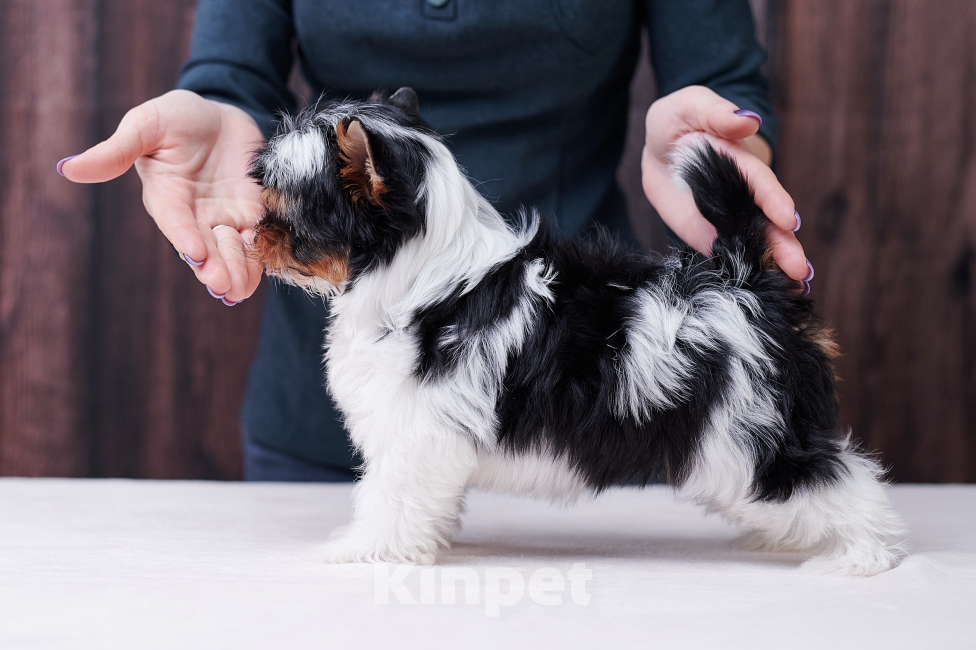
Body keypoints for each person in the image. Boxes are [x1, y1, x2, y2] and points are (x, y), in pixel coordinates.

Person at [58, 0, 810, 481]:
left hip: (577, 395)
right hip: (327, 413)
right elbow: (232, 66)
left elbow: (723, 77)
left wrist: (713, 144)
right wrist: (218, 108)